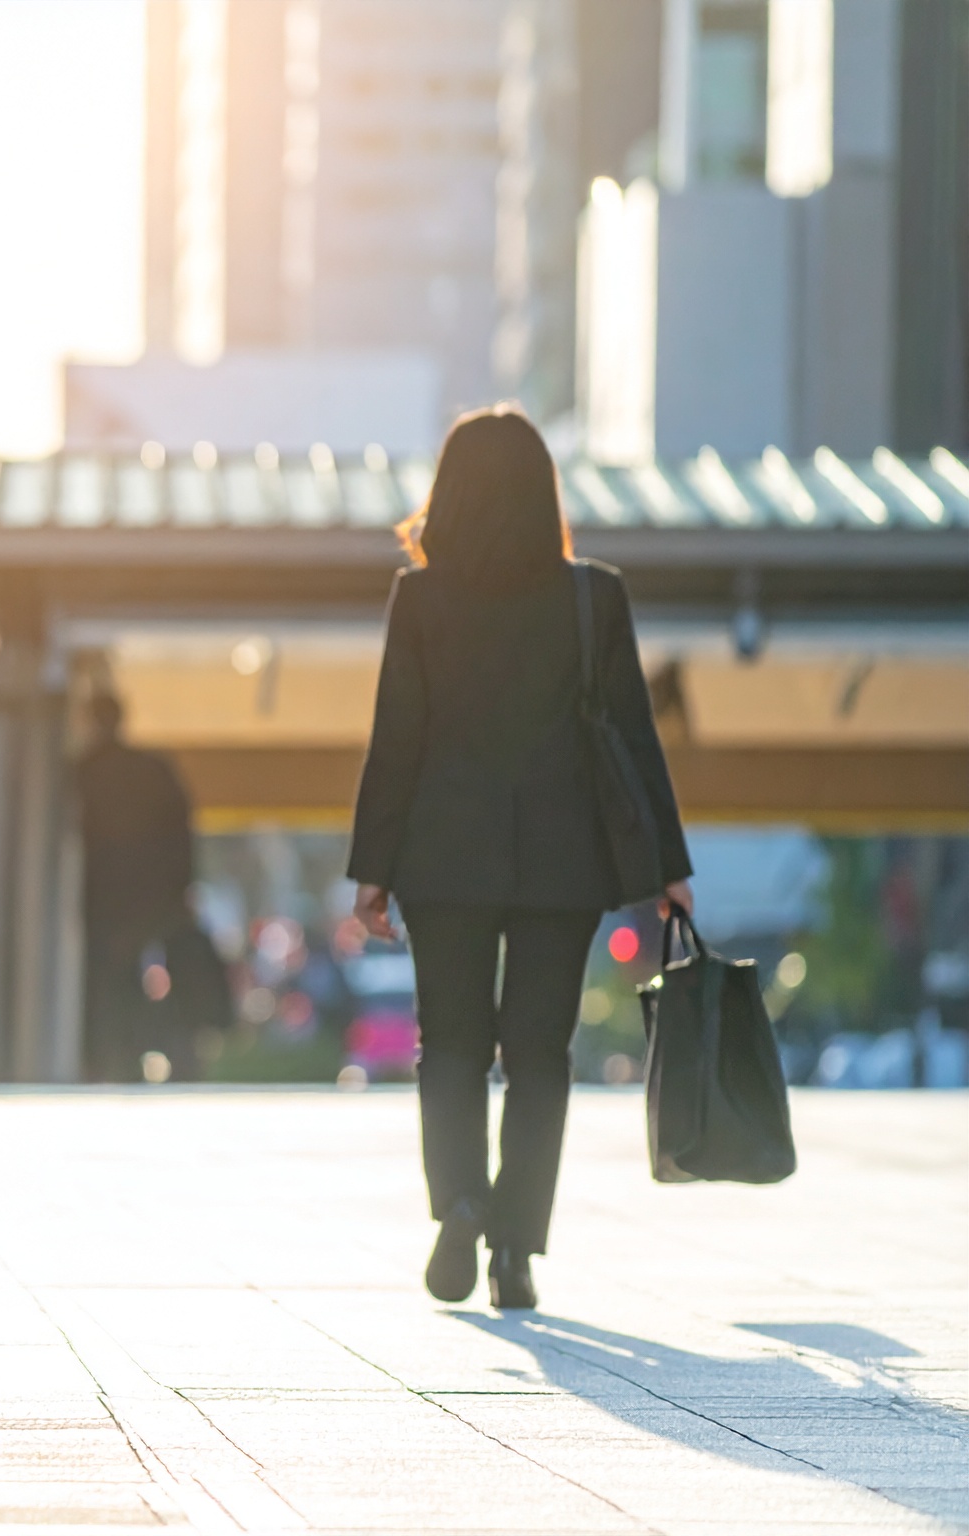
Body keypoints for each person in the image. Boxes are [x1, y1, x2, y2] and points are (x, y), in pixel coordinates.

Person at [347, 404, 691, 1313]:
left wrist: (372, 869)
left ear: (448, 493)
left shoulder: (421, 599)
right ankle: (513, 1250)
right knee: (540, 1053)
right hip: (561, 860)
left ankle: (459, 1203)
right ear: (546, 493)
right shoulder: (593, 596)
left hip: (441, 855)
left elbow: (398, 738)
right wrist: (667, 861)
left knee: (450, 1046)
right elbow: (632, 735)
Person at [74, 691, 220, 1083]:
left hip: (104, 902)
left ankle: (116, 1063)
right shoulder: (153, 770)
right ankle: (178, 1058)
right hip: (157, 900)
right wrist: (180, 890)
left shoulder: (82, 773)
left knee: (111, 984)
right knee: (165, 983)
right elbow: (182, 834)